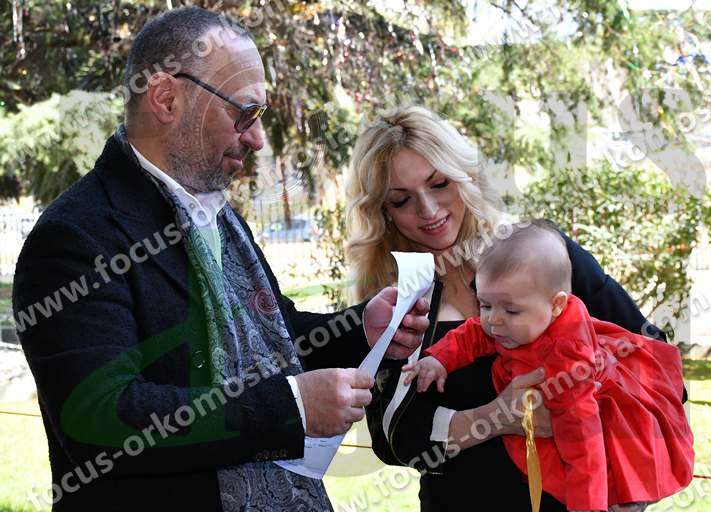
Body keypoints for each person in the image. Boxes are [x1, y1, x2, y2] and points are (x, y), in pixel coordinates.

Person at [12, 8, 428, 512]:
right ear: (166, 98)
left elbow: (270, 335)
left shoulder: (215, 213)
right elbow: (100, 420)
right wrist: (291, 407)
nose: (257, 138)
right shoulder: (76, 235)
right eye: (244, 113)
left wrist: (360, 329)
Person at [345, 105, 683, 511]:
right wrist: (495, 417)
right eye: (402, 200)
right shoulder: (394, 299)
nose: (429, 210)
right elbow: (394, 440)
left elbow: (655, 359)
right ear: (382, 212)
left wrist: (627, 464)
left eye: (439, 184)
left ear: (466, 176)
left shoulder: (539, 251)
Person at [403, 220, 695, 512]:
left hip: (595, 425)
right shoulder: (516, 317)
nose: (493, 320)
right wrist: (438, 359)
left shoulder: (568, 361)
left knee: (600, 468)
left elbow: (583, 439)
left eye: (510, 310)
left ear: (556, 305)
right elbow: (472, 334)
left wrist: (586, 505)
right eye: (485, 305)